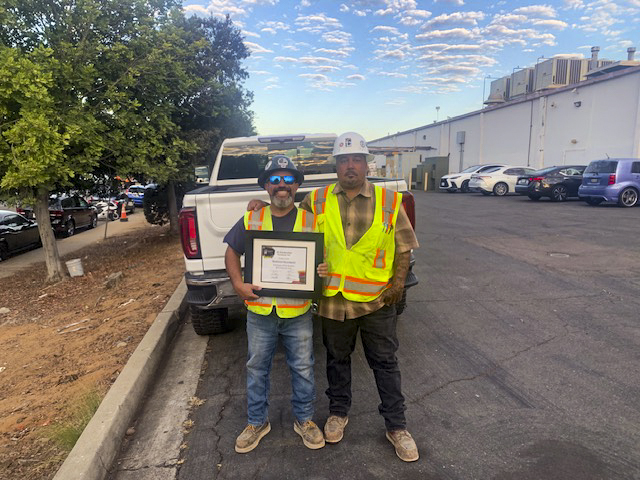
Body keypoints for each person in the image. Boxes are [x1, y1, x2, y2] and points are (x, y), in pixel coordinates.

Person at [249, 133, 420, 462]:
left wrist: (398, 285)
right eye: (344, 160)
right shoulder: (316, 200)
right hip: (333, 300)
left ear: (366, 163)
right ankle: (338, 414)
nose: (350, 166)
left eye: (356, 159)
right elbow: (284, 219)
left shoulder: (389, 201)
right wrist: (259, 205)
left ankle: (397, 426)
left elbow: (404, 246)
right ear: (336, 165)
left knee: (385, 363)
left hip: (377, 300)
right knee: (336, 361)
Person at [224, 155, 326, 453]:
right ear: (266, 186)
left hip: (297, 312)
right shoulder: (252, 218)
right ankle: (257, 422)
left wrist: (322, 270)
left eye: (289, 179)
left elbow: (322, 257)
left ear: (297, 186)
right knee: (257, 367)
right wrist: (237, 285)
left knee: (304, 367)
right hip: (260, 311)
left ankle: (304, 420)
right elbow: (232, 253)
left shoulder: (312, 220)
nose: (282, 186)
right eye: (275, 180)